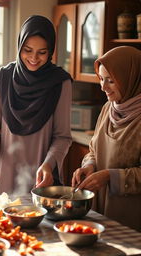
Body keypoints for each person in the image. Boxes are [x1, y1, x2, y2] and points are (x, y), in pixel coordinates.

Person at [0, 15, 72, 195]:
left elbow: (62, 137)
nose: (34, 58)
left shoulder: (60, 82)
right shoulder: (2, 78)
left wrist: (49, 165)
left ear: (50, 51)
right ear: (19, 46)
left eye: (42, 52)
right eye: (27, 50)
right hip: (3, 176)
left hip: (42, 179)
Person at [71, 46, 141, 231]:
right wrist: (89, 165)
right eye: (101, 79)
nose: (103, 87)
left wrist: (111, 176)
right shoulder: (108, 108)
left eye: (111, 81)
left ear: (130, 79)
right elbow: (94, 149)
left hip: (131, 218)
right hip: (100, 211)